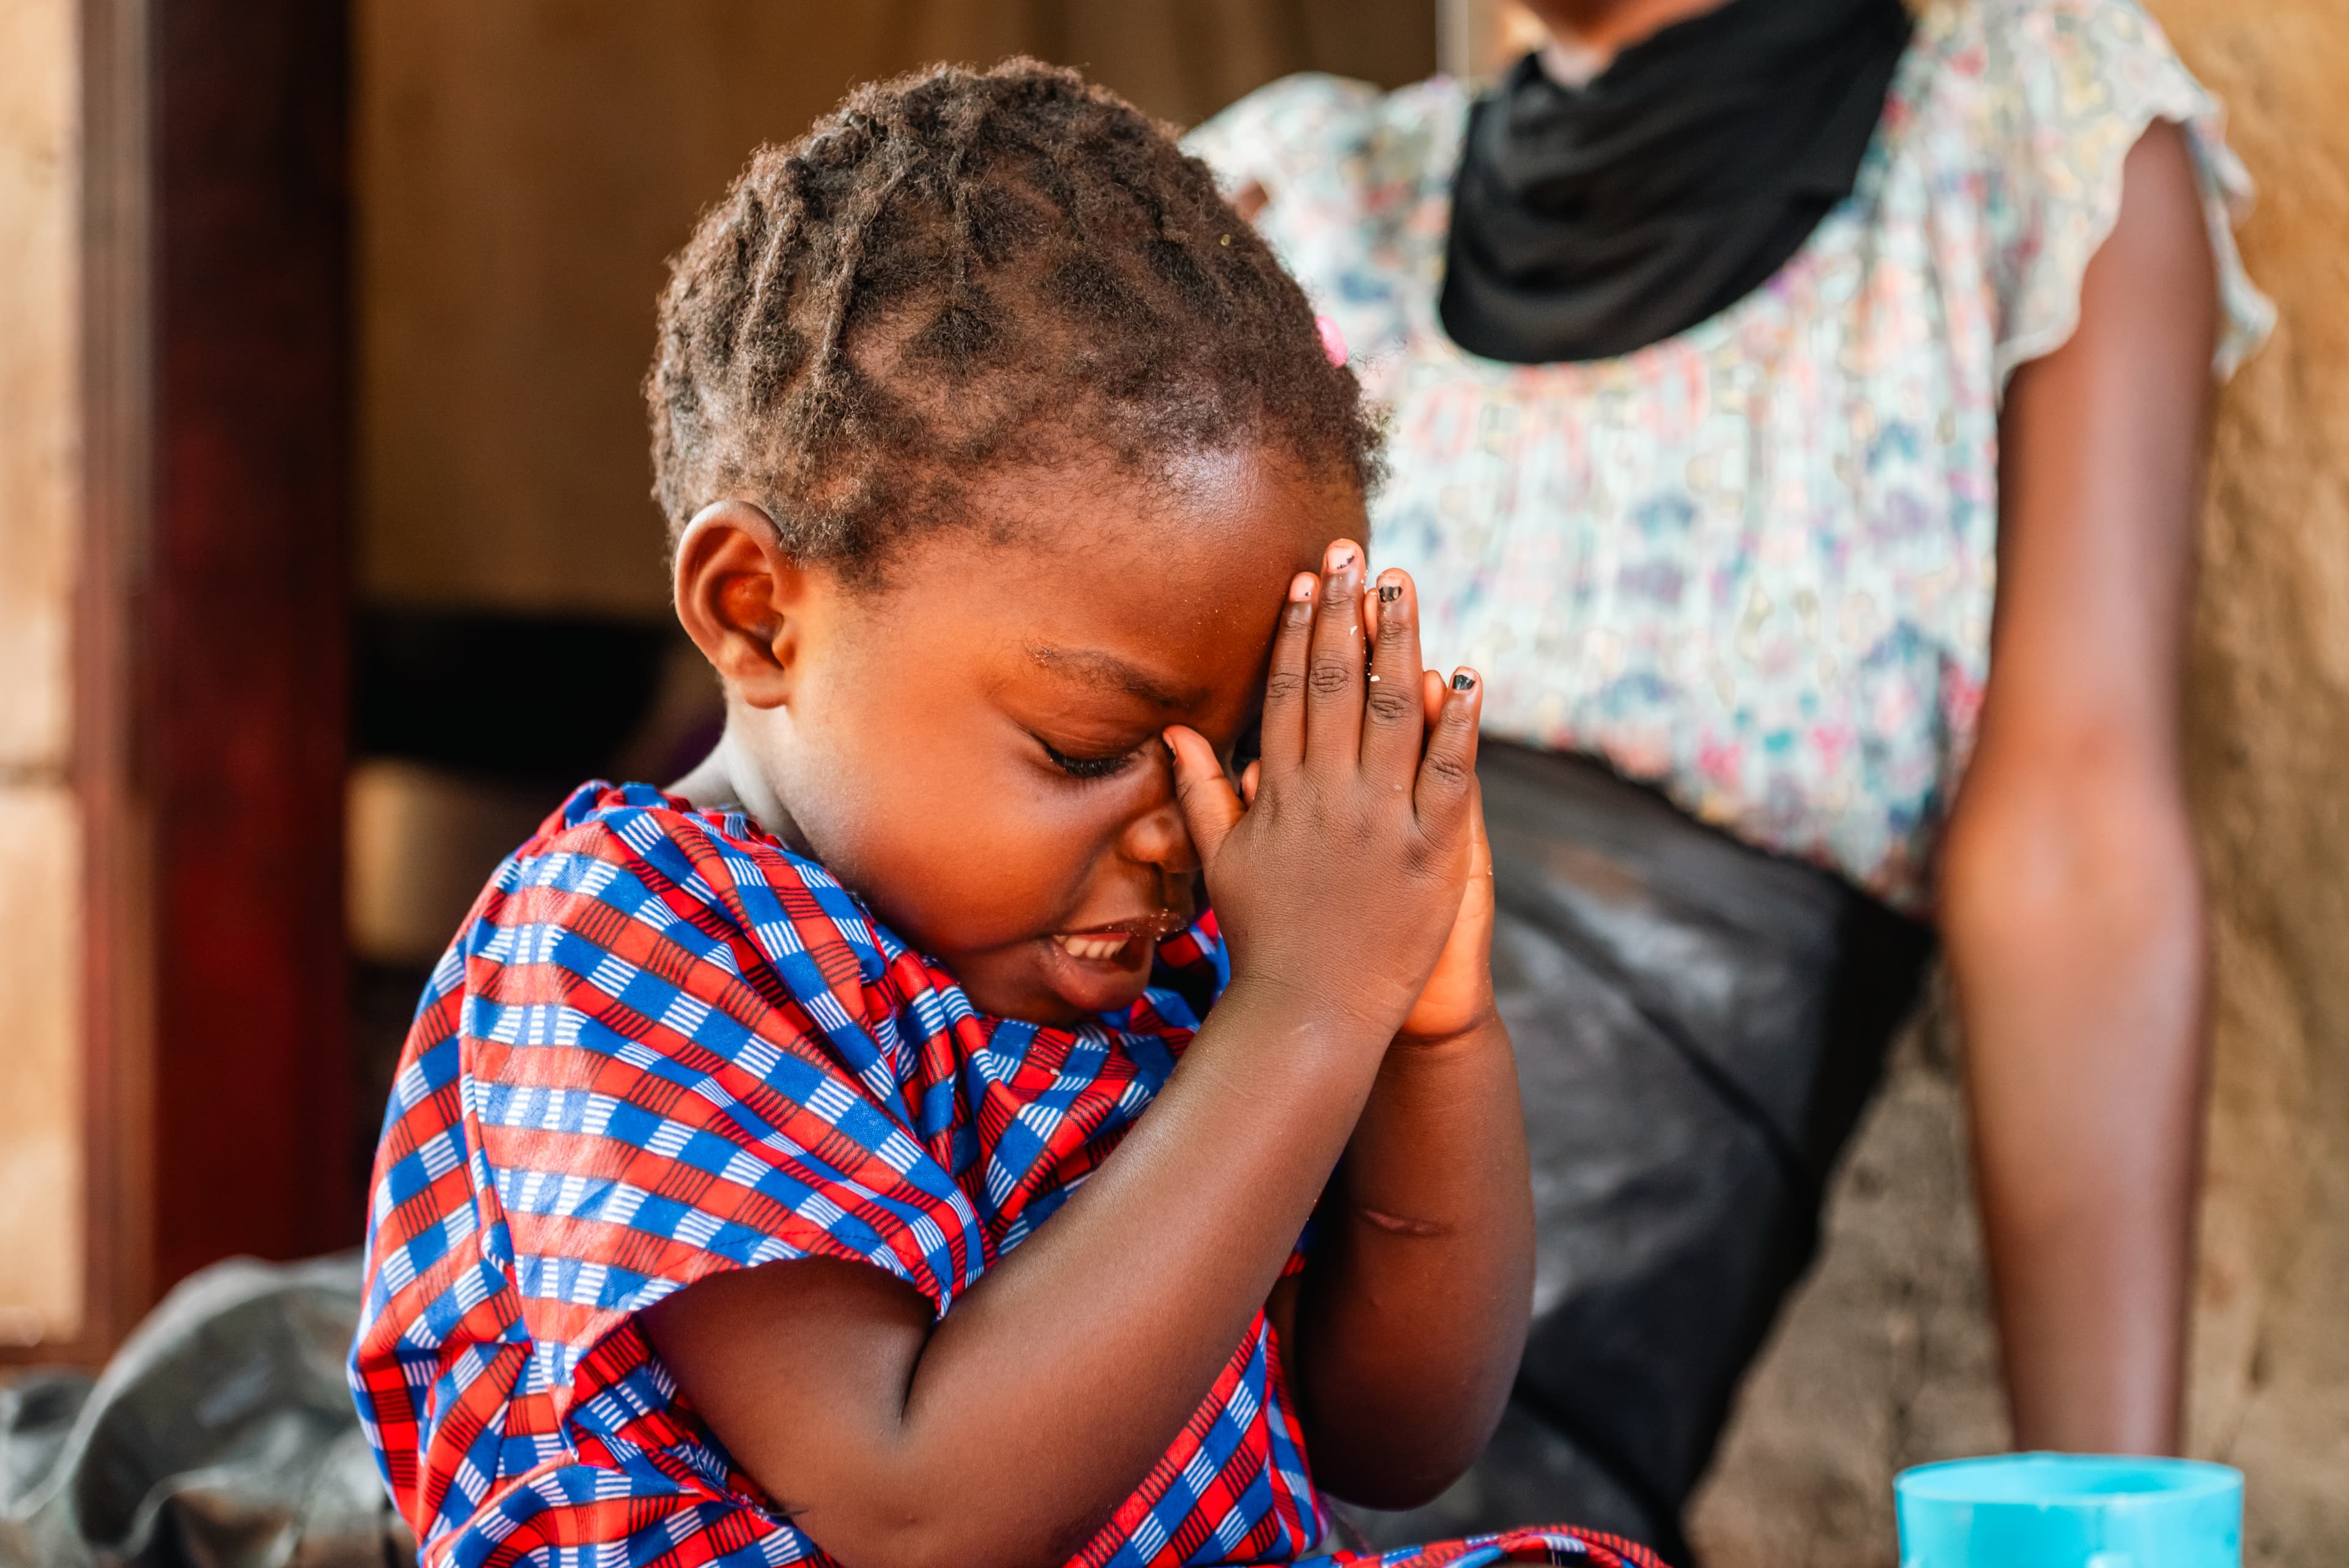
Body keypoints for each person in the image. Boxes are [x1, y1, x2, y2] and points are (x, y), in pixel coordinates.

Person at [349, 60, 1666, 1568]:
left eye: (1237, 753)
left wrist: (1425, 1030)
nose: (1184, 827)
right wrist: (1307, 1009)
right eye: (1085, 743)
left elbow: (1396, 1438)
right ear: (758, 614)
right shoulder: (629, 938)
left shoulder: (1171, 969)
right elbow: (915, 1503)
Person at [1185, 0, 2273, 1558]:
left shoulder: (2014, 137)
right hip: (1100, 1244)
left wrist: (2106, 1527)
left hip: (1476, 1423)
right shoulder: (1297, 197)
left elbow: (2075, 850)